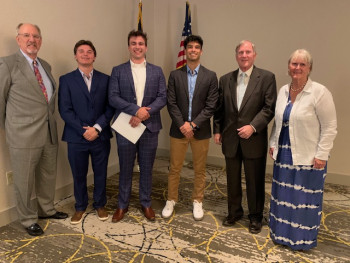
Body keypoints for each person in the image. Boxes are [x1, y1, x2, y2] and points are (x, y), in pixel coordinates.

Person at [0, 23, 68, 236]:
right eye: (27, 35)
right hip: (23, 135)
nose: (32, 39)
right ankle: (28, 218)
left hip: (48, 131)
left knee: (48, 174)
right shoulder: (7, 64)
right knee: (24, 179)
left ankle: (46, 209)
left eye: (36, 36)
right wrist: (9, 129)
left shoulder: (45, 65)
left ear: (41, 40)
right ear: (18, 39)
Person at [268, 49, 337, 250]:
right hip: (284, 154)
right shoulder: (282, 91)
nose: (297, 68)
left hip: (309, 156)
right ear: (289, 67)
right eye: (294, 64)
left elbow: (330, 127)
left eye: (302, 64)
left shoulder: (320, 92)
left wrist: (322, 154)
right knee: (283, 196)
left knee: (303, 200)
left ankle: (301, 240)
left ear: (309, 68)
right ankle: (280, 235)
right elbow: (278, 122)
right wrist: (273, 144)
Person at [213, 40, 277, 234]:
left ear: (254, 55)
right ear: (236, 56)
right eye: (240, 52)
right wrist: (217, 129)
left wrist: (253, 126)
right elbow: (219, 109)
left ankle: (256, 216)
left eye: (248, 52)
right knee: (232, 179)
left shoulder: (266, 77)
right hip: (230, 138)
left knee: (254, 181)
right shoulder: (225, 79)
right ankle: (234, 212)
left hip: (253, 138)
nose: (244, 55)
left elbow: (269, 108)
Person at [108, 30, 167, 222]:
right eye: (133, 43)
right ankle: (122, 205)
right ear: (129, 47)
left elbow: (162, 97)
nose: (137, 46)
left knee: (147, 167)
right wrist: (136, 111)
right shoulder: (118, 70)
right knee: (125, 167)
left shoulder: (157, 71)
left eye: (140, 43)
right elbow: (113, 97)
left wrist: (144, 113)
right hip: (127, 126)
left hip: (150, 127)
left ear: (146, 47)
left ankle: (146, 203)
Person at [162, 35, 218, 221]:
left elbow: (211, 105)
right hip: (178, 129)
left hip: (200, 131)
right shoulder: (175, 75)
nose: (193, 50)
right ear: (185, 51)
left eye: (196, 47)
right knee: (175, 168)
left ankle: (197, 201)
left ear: (201, 51)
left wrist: (193, 125)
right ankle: (171, 199)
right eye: (190, 47)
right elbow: (171, 103)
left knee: (200, 169)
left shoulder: (210, 76)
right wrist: (183, 124)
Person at [58, 40, 114, 225]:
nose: (85, 54)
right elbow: (65, 110)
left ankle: (100, 204)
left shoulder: (106, 79)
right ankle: (80, 206)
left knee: (100, 172)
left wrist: (96, 128)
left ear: (94, 56)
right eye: (81, 51)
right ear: (75, 56)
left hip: (100, 135)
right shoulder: (66, 80)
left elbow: (110, 108)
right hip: (76, 136)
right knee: (79, 174)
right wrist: (84, 130)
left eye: (89, 51)